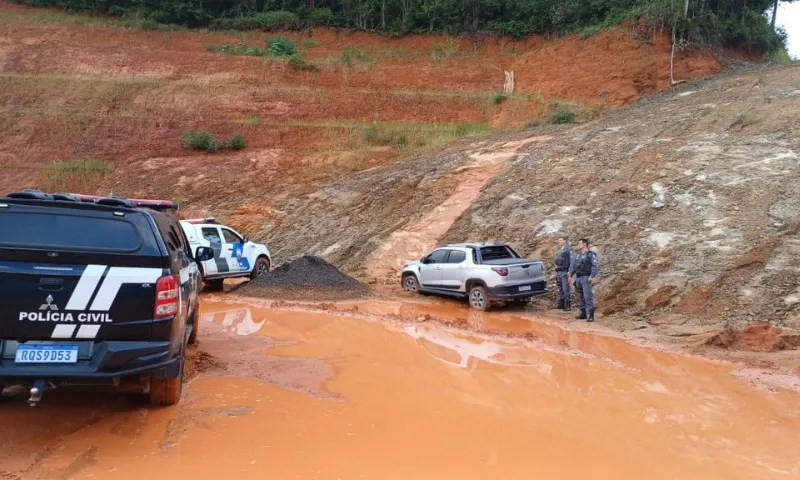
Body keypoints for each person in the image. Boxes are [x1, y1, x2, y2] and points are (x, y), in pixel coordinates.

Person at [569, 238, 598, 322]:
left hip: (586, 277)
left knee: (587, 296)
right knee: (581, 296)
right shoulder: (578, 255)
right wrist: (570, 275)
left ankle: (591, 315)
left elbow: (594, 266)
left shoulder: (590, 254)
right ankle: (583, 313)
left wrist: (592, 276)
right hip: (578, 277)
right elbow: (575, 267)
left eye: (580, 243)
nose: (578, 245)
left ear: (585, 244)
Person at [554, 236, 573, 311]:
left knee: (566, 288)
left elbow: (572, 261)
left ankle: (568, 305)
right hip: (559, 271)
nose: (559, 241)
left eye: (561, 240)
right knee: (561, 288)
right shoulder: (559, 250)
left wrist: (570, 271)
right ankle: (561, 303)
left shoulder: (568, 250)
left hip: (565, 271)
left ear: (565, 241)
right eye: (558, 240)